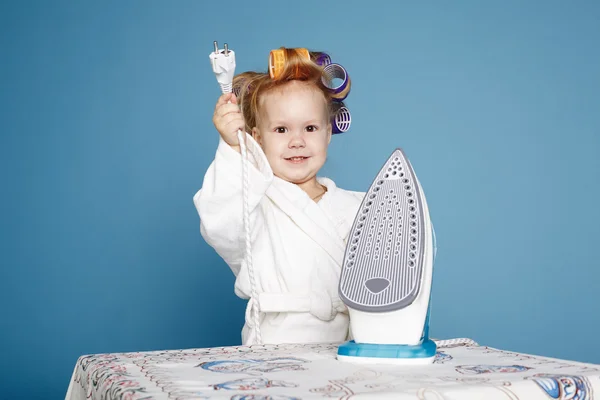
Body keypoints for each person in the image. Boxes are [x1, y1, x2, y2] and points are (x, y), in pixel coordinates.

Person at [193, 47, 364, 345]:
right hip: (273, 348)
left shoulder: (359, 207)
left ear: (328, 133)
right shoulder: (252, 204)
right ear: (258, 138)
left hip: (345, 351)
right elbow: (219, 224)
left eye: (310, 128)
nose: (297, 141)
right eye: (281, 129)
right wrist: (234, 149)